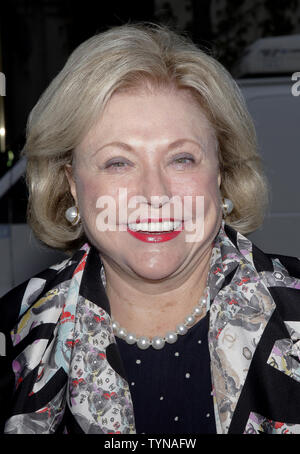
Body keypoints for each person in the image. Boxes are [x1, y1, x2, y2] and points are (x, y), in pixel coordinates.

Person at [0, 22, 300, 435]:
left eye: (182, 159)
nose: (154, 193)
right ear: (72, 183)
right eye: (118, 163)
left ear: (221, 172)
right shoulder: (13, 337)